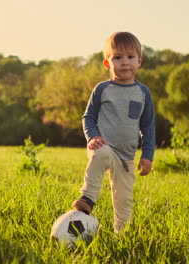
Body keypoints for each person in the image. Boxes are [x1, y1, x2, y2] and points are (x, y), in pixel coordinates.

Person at [71, 32, 155, 233]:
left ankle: (122, 234)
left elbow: (148, 126)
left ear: (139, 61)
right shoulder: (102, 89)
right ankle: (87, 198)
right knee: (102, 151)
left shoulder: (143, 93)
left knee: (124, 199)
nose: (125, 62)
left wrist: (147, 155)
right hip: (102, 146)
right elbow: (88, 117)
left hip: (126, 157)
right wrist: (93, 137)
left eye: (130, 57)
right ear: (107, 63)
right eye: (117, 57)